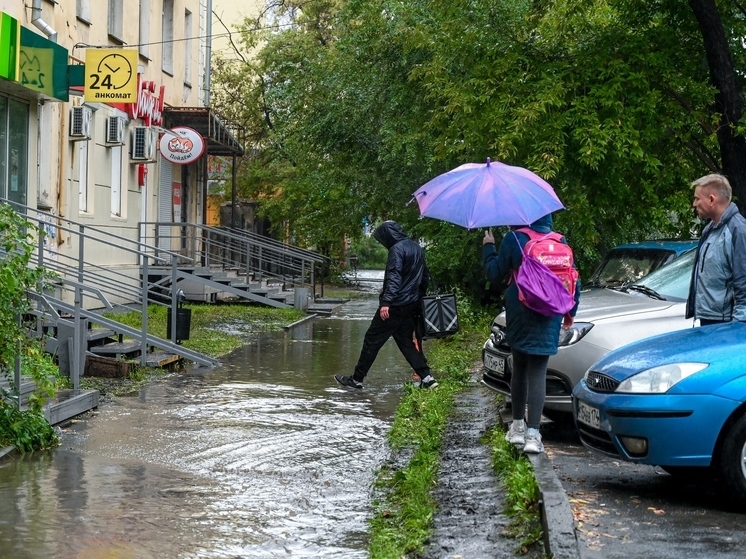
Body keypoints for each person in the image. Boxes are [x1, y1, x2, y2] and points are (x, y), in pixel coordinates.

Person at [482, 214, 580, 453]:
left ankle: (517, 429)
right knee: (539, 371)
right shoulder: (560, 240)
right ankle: (534, 436)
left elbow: (495, 275)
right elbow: (574, 280)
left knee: (520, 368)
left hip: (522, 310)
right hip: (551, 313)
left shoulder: (514, 238)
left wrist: (488, 248)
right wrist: (570, 313)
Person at [335, 221, 438, 390]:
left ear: (388, 236)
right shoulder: (416, 247)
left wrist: (386, 302)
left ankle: (357, 380)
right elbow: (424, 276)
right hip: (411, 304)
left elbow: (394, 277)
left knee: (371, 340)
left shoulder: (396, 249)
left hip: (395, 305)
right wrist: (419, 298)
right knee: (405, 342)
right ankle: (427, 378)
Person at [686, 173, 746, 325]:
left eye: (697, 198)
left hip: (725, 325)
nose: (694, 204)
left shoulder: (738, 230)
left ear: (712, 199)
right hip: (709, 319)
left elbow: (743, 281)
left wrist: (738, 326)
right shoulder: (710, 229)